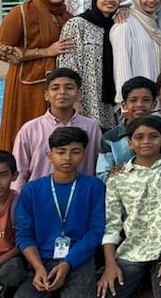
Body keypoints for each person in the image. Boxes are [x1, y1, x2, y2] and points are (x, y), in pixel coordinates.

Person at [97, 116, 161, 298]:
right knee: (104, 292)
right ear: (130, 143)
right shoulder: (117, 177)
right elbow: (112, 224)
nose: (146, 142)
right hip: (131, 253)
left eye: (153, 136)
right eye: (139, 137)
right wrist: (110, 265)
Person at [14, 127, 104, 296]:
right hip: (40, 259)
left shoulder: (94, 187)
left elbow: (95, 232)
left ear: (84, 155)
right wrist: (38, 267)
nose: (67, 158)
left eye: (75, 152)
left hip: (79, 260)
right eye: (61, 152)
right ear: (50, 155)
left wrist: (68, 263)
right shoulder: (31, 190)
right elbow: (24, 234)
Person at [0, 0, 72, 151]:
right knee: (26, 135)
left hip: (58, 88)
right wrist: (46, 51)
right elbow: (2, 49)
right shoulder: (21, 13)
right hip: (27, 88)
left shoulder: (67, 16)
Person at [12, 68, 101, 191]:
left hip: (81, 196)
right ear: (46, 95)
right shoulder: (30, 129)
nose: (62, 92)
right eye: (55, 88)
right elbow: (19, 171)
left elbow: (98, 166)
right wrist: (18, 203)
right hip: (39, 198)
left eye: (69, 88)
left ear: (79, 94)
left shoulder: (91, 127)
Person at [95, 76, 161, 180]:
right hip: (124, 190)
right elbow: (102, 173)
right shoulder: (111, 138)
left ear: (154, 104)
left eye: (146, 100)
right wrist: (115, 175)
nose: (139, 105)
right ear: (124, 105)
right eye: (133, 100)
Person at [57, 0, 120, 129]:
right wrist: (74, 100)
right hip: (87, 97)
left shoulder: (117, 26)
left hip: (110, 99)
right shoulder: (77, 24)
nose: (110, 0)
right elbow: (67, 64)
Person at [110, 0, 161, 102]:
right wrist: (125, 102)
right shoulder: (124, 24)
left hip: (154, 101)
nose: (151, 0)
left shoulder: (155, 23)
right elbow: (121, 66)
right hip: (135, 103)